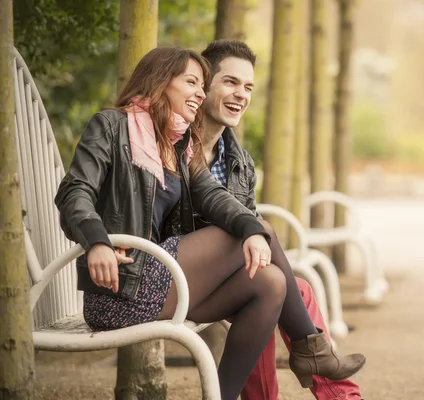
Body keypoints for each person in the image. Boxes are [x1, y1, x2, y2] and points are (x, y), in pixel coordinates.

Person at [54, 47, 365, 400]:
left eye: (203, 85)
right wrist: (98, 241)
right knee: (260, 229)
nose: (200, 94)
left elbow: (216, 199)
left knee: (271, 283)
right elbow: (74, 192)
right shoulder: (112, 126)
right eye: (192, 83)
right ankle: (314, 353)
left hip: (162, 282)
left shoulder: (180, 144)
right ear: (160, 82)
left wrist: (250, 230)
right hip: (120, 286)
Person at [198, 39, 364, 400]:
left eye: (248, 87)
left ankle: (340, 393)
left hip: (230, 273)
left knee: (285, 286)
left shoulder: (238, 159)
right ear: (203, 82)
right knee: (275, 284)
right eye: (230, 82)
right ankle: (317, 356)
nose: (241, 94)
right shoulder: (176, 145)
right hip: (185, 271)